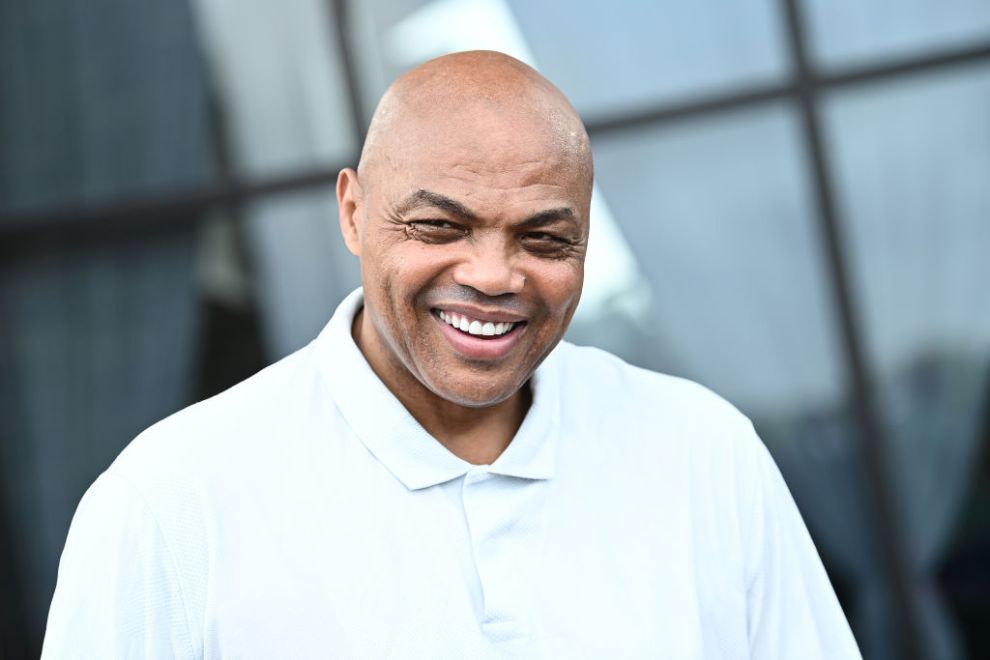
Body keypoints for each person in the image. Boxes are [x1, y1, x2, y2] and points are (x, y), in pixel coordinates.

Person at [43, 50, 861, 659]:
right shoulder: (171, 504)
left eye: (544, 238)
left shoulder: (702, 454)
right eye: (439, 226)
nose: (494, 276)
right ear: (354, 213)